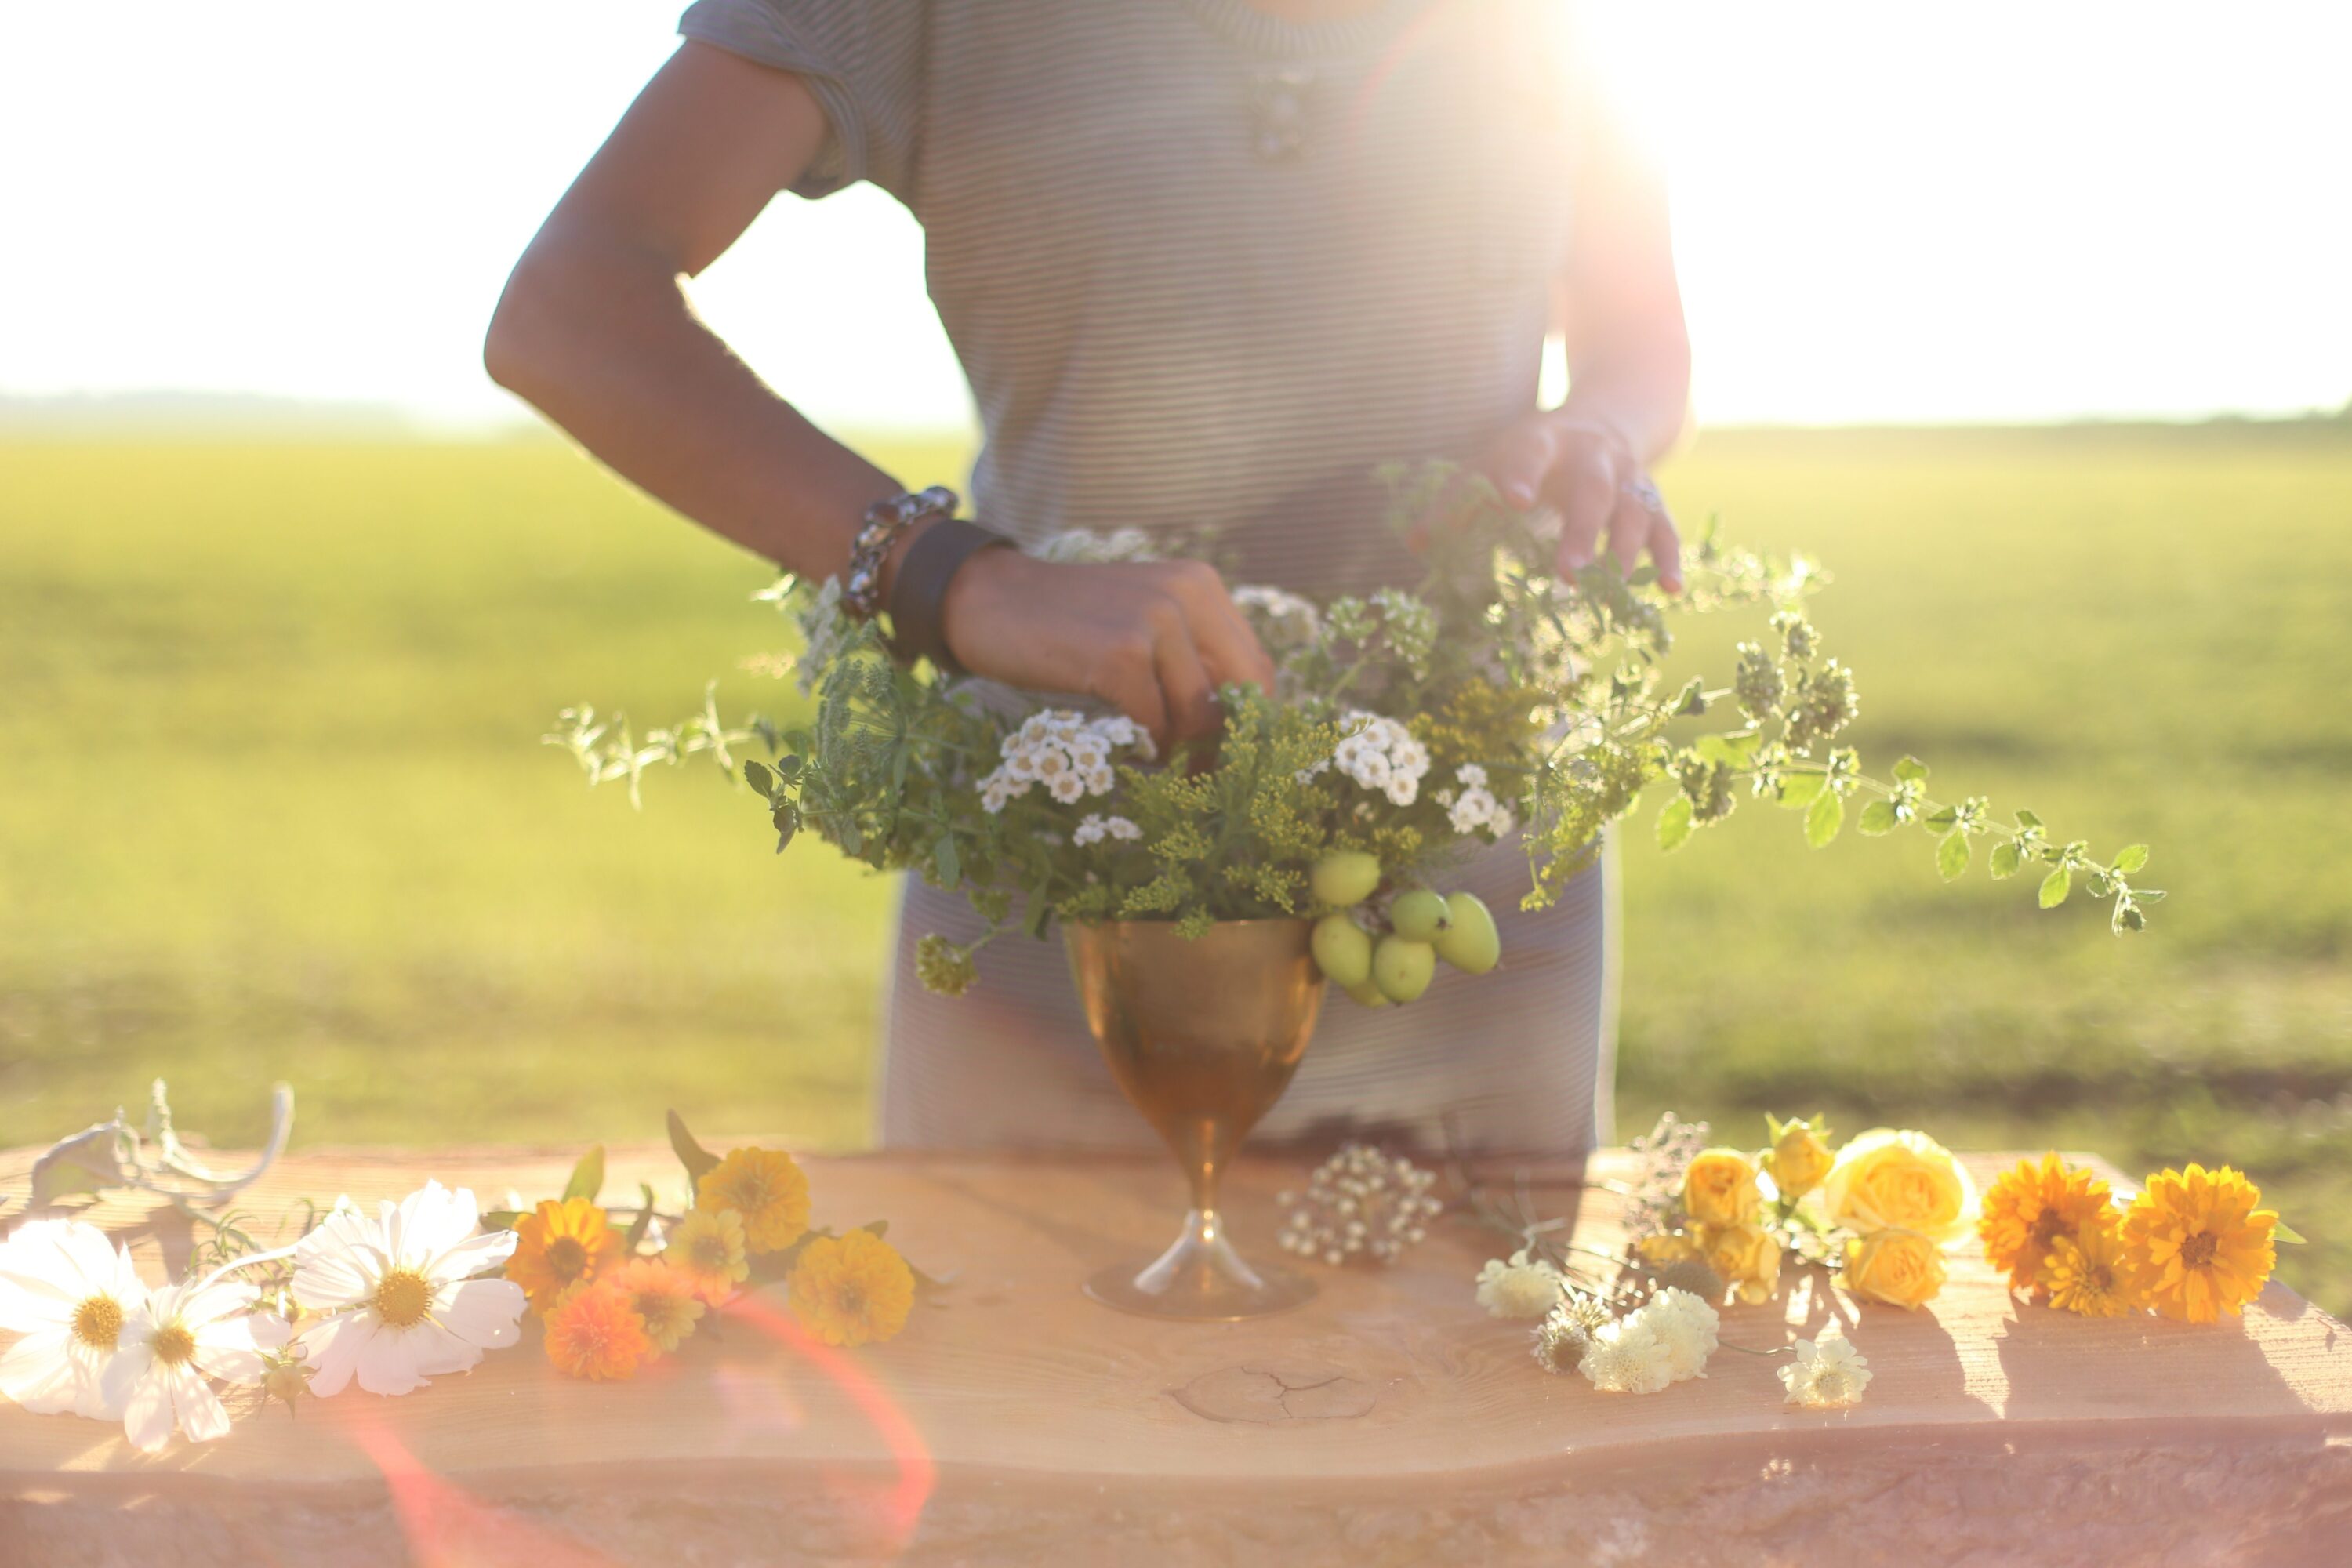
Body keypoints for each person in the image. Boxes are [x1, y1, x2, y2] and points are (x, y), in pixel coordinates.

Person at [485, 0, 1691, 1158]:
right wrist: (952, 579)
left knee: (1482, 1356)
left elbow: (1645, 344)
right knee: (1014, 1362)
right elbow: (567, 307)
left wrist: (1599, 432)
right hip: (1058, 926)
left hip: (1459, 935)